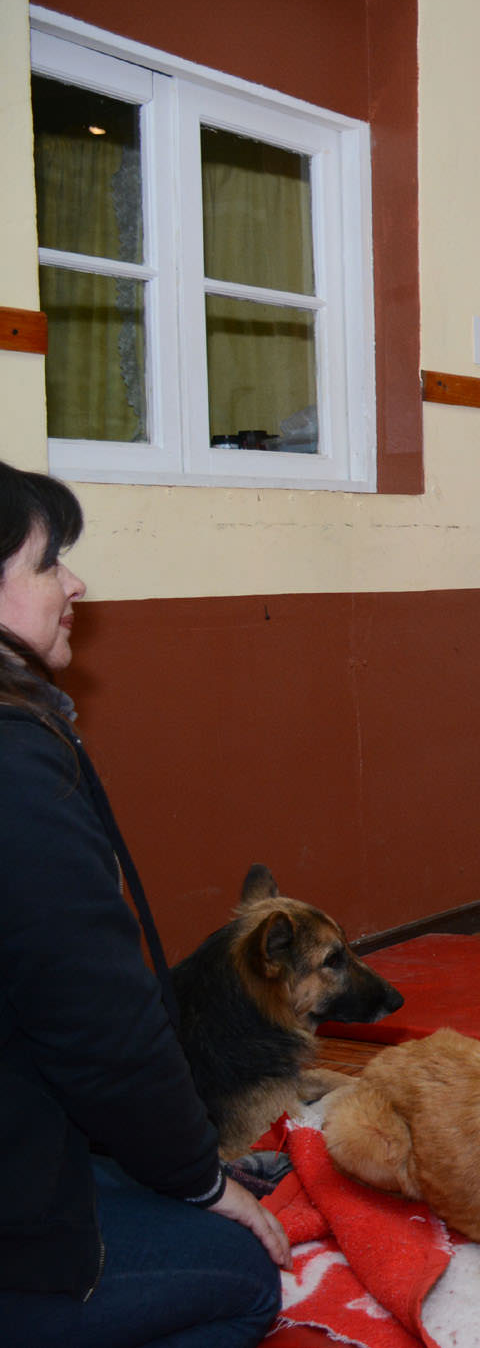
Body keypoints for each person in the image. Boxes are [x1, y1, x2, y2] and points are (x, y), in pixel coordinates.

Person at [0, 461, 290, 1343]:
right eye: (49, 563)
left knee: (163, 1180)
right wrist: (200, 1182)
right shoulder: (11, 767)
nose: (74, 583)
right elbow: (98, 1025)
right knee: (240, 1276)